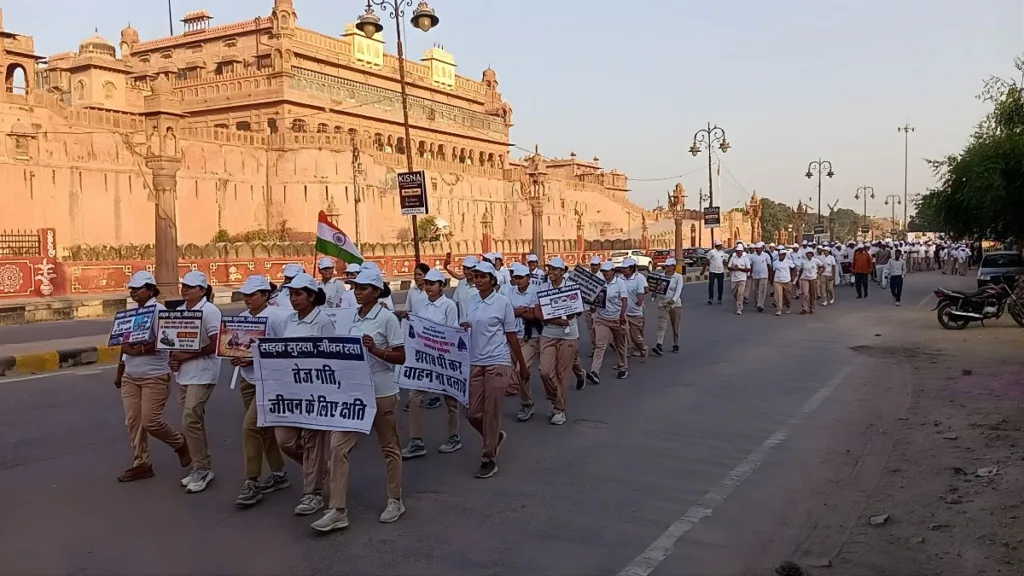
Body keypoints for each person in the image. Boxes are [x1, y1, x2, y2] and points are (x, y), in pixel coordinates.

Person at [312, 268, 406, 532]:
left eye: (363, 288)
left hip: (381, 390)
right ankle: (337, 509)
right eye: (355, 287)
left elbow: (401, 357)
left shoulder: (387, 318)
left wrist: (374, 349)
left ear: (376, 291)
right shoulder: (349, 317)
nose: (358, 291)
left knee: (389, 447)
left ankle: (395, 499)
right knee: (338, 446)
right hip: (353, 392)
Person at [114, 271, 192, 483]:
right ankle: (142, 463)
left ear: (150, 290)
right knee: (133, 421)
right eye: (131, 289)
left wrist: (136, 350)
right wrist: (120, 371)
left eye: (137, 289)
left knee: (151, 421)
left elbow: (165, 341)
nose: (133, 293)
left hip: (155, 375)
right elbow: (123, 344)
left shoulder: (160, 312)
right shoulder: (131, 313)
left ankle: (179, 443)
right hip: (131, 374)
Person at [461, 262, 529, 479]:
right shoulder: (471, 301)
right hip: (476, 361)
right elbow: (467, 327)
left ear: (492, 279)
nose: (478, 280)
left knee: (491, 411)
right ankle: (494, 436)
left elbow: (511, 335)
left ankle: (488, 457)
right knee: (472, 413)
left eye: (483, 276)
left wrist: (521, 366)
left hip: (497, 361)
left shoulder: (503, 303)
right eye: (476, 276)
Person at [275, 273, 335, 516]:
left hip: (315, 392)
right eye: (290, 294)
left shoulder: (323, 322)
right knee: (284, 440)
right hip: (290, 391)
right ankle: (320, 468)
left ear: (311, 296)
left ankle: (313, 494)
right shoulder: (288, 321)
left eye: (298, 294)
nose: (293, 299)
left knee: (312, 441)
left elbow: (332, 357)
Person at [231, 275, 291, 507]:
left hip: (270, 381)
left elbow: (285, 352)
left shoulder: (278, 318)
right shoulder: (242, 318)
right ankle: (278, 473)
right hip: (248, 380)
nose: (247, 298)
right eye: (245, 294)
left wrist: (256, 359)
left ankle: (252, 481)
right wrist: (237, 358)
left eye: (252, 294)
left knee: (249, 428)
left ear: (266, 295)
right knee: (263, 430)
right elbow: (234, 345)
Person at [167, 270, 223, 494]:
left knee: (191, 417)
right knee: (191, 421)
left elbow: (216, 343)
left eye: (190, 286)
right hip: (184, 373)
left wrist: (187, 356)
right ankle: (200, 465)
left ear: (202, 290)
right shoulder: (180, 311)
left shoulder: (210, 311)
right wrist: (175, 359)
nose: (185, 289)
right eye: (184, 286)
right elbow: (172, 340)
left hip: (203, 372)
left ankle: (202, 467)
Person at [401, 269, 463, 457]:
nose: (428, 287)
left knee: (450, 399)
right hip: (424, 358)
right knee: (415, 397)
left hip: (443, 358)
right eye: (426, 283)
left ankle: (453, 436)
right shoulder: (420, 304)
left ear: (442, 286)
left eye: (432, 284)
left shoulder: (449, 306)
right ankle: (416, 440)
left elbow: (451, 332)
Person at [536, 257, 582, 425]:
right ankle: (556, 401)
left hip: (568, 334)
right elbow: (538, 313)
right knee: (545, 371)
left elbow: (574, 313)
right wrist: (555, 320)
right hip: (549, 333)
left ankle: (559, 410)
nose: (551, 272)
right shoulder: (542, 287)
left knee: (562, 375)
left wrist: (565, 315)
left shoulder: (571, 287)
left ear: (563, 271)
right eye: (549, 269)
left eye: (555, 269)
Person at [395, 263, 442, 411]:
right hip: (417, 333)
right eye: (415, 275)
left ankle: (434, 395)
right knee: (417, 365)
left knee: (433, 365)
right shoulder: (412, 292)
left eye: (420, 275)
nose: (417, 278)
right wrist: (405, 315)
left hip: (433, 335)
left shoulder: (439, 299)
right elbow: (408, 310)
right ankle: (414, 397)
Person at [503, 263, 541, 421]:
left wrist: (516, 312)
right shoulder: (509, 291)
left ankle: (526, 403)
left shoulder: (535, 292)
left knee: (521, 369)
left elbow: (535, 315)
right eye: (516, 278)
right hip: (512, 336)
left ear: (529, 278)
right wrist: (523, 310)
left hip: (529, 336)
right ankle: (527, 401)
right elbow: (506, 312)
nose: (518, 281)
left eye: (521, 278)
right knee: (516, 370)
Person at [587, 261, 629, 383]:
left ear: (613, 272)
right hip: (601, 318)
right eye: (603, 271)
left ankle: (623, 367)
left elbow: (624, 300)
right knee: (600, 345)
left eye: (607, 271)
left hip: (616, 318)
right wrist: (593, 306)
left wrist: (622, 315)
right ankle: (595, 371)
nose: (605, 273)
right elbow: (594, 298)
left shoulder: (619, 283)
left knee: (620, 344)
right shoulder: (599, 283)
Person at [652, 258, 682, 355]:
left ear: (673, 267)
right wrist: (654, 293)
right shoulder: (661, 276)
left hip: (675, 303)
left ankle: (676, 343)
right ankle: (659, 344)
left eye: (669, 266)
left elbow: (678, 290)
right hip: (663, 303)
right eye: (666, 266)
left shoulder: (678, 277)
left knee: (675, 324)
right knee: (662, 324)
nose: (667, 267)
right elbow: (657, 289)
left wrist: (673, 300)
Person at [620, 258, 648, 360]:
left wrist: (639, 302)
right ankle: (624, 354)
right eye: (622, 268)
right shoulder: (620, 279)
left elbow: (642, 292)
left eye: (625, 268)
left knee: (636, 336)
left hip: (635, 312)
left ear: (631, 269)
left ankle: (642, 349)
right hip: (623, 312)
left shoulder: (639, 278)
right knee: (623, 335)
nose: (623, 270)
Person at [796, 248, 823, 315]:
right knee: (805, 294)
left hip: (813, 278)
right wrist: (798, 279)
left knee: (812, 294)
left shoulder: (816, 260)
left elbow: (823, 267)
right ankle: (804, 308)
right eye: (808, 254)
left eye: (810, 254)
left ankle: (812, 308)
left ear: (812, 254)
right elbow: (801, 270)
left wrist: (819, 274)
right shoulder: (803, 261)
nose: (809, 255)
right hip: (805, 278)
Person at [727, 244, 752, 315]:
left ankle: (739, 308)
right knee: (734, 293)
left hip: (742, 278)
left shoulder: (745, 259)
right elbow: (729, 267)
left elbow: (749, 269)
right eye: (737, 251)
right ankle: (739, 300)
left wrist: (739, 269)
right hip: (734, 278)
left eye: (739, 251)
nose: (738, 252)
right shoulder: (733, 258)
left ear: (742, 251)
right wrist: (733, 268)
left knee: (740, 293)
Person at [747, 242, 771, 312]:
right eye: (756, 249)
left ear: (762, 249)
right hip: (755, 275)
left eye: (758, 249)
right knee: (756, 290)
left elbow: (769, 265)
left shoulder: (766, 255)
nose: (757, 250)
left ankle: (760, 305)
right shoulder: (752, 256)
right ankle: (757, 301)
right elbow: (750, 266)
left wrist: (770, 276)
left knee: (762, 290)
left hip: (764, 275)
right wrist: (749, 274)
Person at [702, 241, 727, 305]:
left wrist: (728, 267)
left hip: (720, 271)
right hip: (713, 271)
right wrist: (703, 270)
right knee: (711, 285)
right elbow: (706, 261)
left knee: (720, 286)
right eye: (721, 245)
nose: (722, 246)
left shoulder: (722, 252)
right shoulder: (711, 252)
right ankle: (710, 298)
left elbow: (723, 261)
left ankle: (720, 298)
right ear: (718, 245)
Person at [771, 249, 795, 316]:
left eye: (783, 255)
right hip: (777, 281)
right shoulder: (775, 263)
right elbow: (773, 271)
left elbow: (794, 269)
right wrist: (771, 280)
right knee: (778, 295)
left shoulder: (788, 262)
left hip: (786, 281)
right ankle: (779, 309)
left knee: (787, 296)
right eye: (781, 255)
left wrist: (793, 277)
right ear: (779, 255)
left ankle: (788, 306)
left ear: (785, 255)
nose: (782, 256)